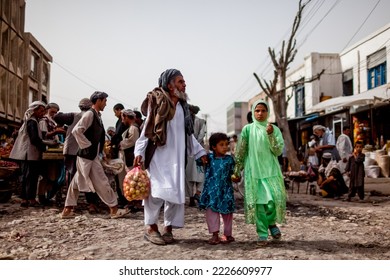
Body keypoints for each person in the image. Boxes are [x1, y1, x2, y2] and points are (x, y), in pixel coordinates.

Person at [133, 68, 207, 245]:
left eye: (184, 81)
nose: (184, 84)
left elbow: (187, 135)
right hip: (158, 156)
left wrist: (200, 152)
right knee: (156, 192)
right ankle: (151, 227)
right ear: (170, 84)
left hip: (177, 158)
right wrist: (139, 151)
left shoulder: (182, 107)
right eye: (180, 81)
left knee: (174, 192)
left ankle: (168, 228)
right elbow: (147, 129)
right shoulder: (157, 102)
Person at [60, 91, 129, 219]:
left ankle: (67, 209)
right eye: (104, 101)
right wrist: (87, 146)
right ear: (98, 101)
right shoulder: (89, 114)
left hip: (90, 156)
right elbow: (77, 131)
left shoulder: (96, 115)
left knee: (77, 182)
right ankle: (113, 209)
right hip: (86, 156)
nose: (106, 103)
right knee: (101, 181)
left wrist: (98, 152)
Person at [233, 99, 286, 246]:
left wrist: (270, 135)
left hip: (271, 171)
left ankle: (271, 223)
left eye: (263, 110)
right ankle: (262, 234)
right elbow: (241, 151)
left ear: (268, 112)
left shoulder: (273, 129)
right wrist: (237, 170)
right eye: (257, 110)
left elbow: (278, 150)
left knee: (274, 200)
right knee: (259, 204)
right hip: (254, 172)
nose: (260, 113)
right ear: (253, 113)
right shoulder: (247, 130)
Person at [53, 98, 100, 213]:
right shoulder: (94, 116)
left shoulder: (73, 115)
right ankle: (91, 204)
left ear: (80, 107)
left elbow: (57, 116)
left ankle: (70, 205)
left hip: (72, 151)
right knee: (88, 177)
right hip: (86, 152)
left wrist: (61, 125)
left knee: (73, 177)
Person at [10, 101, 57, 207]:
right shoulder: (32, 121)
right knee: (30, 177)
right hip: (28, 154)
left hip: (29, 154)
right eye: (41, 111)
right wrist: (49, 143)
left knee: (27, 177)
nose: (42, 113)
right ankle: (29, 199)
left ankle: (25, 199)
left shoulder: (33, 121)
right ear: (34, 110)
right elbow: (35, 139)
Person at [197, 132, 236, 245]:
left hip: (226, 191)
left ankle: (227, 234)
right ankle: (215, 235)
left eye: (226, 144)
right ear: (214, 147)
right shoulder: (209, 158)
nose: (225, 147)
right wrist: (202, 155)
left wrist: (236, 178)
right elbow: (199, 160)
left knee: (227, 214)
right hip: (211, 191)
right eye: (221, 144)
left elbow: (234, 174)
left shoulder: (229, 160)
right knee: (212, 213)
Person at [37, 102, 66, 205]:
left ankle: (47, 197)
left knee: (52, 176)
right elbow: (44, 136)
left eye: (56, 112)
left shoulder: (52, 121)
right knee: (46, 176)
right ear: (47, 110)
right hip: (47, 151)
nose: (54, 114)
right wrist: (56, 132)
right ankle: (42, 197)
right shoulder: (43, 121)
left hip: (53, 151)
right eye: (52, 111)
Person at [117, 108, 141, 211]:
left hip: (130, 158)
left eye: (123, 117)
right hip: (127, 158)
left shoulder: (133, 128)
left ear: (127, 117)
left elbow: (132, 141)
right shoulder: (131, 128)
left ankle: (135, 203)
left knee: (133, 182)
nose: (122, 120)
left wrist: (118, 144)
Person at [185, 104, 207, 207]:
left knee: (200, 175)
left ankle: (197, 194)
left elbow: (202, 134)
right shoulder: (185, 121)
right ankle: (192, 198)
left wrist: (194, 144)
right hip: (191, 152)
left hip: (197, 152)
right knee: (190, 176)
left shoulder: (201, 121)